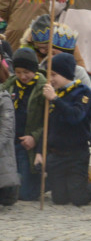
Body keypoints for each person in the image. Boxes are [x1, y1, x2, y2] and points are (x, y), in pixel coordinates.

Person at [39, 52, 91, 206]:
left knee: (78, 199)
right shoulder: (54, 94)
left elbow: (75, 117)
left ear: (66, 73)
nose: (51, 79)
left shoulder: (82, 92)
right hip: (57, 155)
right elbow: (46, 125)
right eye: (49, 75)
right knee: (59, 199)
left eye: (54, 75)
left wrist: (55, 99)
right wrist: (39, 151)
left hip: (77, 153)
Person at [1, 48, 44, 201]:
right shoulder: (10, 85)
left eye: (26, 72)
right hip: (10, 143)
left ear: (34, 69)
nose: (22, 76)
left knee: (26, 195)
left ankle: (50, 180)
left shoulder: (42, 88)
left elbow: (48, 121)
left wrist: (34, 137)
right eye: (18, 72)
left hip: (27, 143)